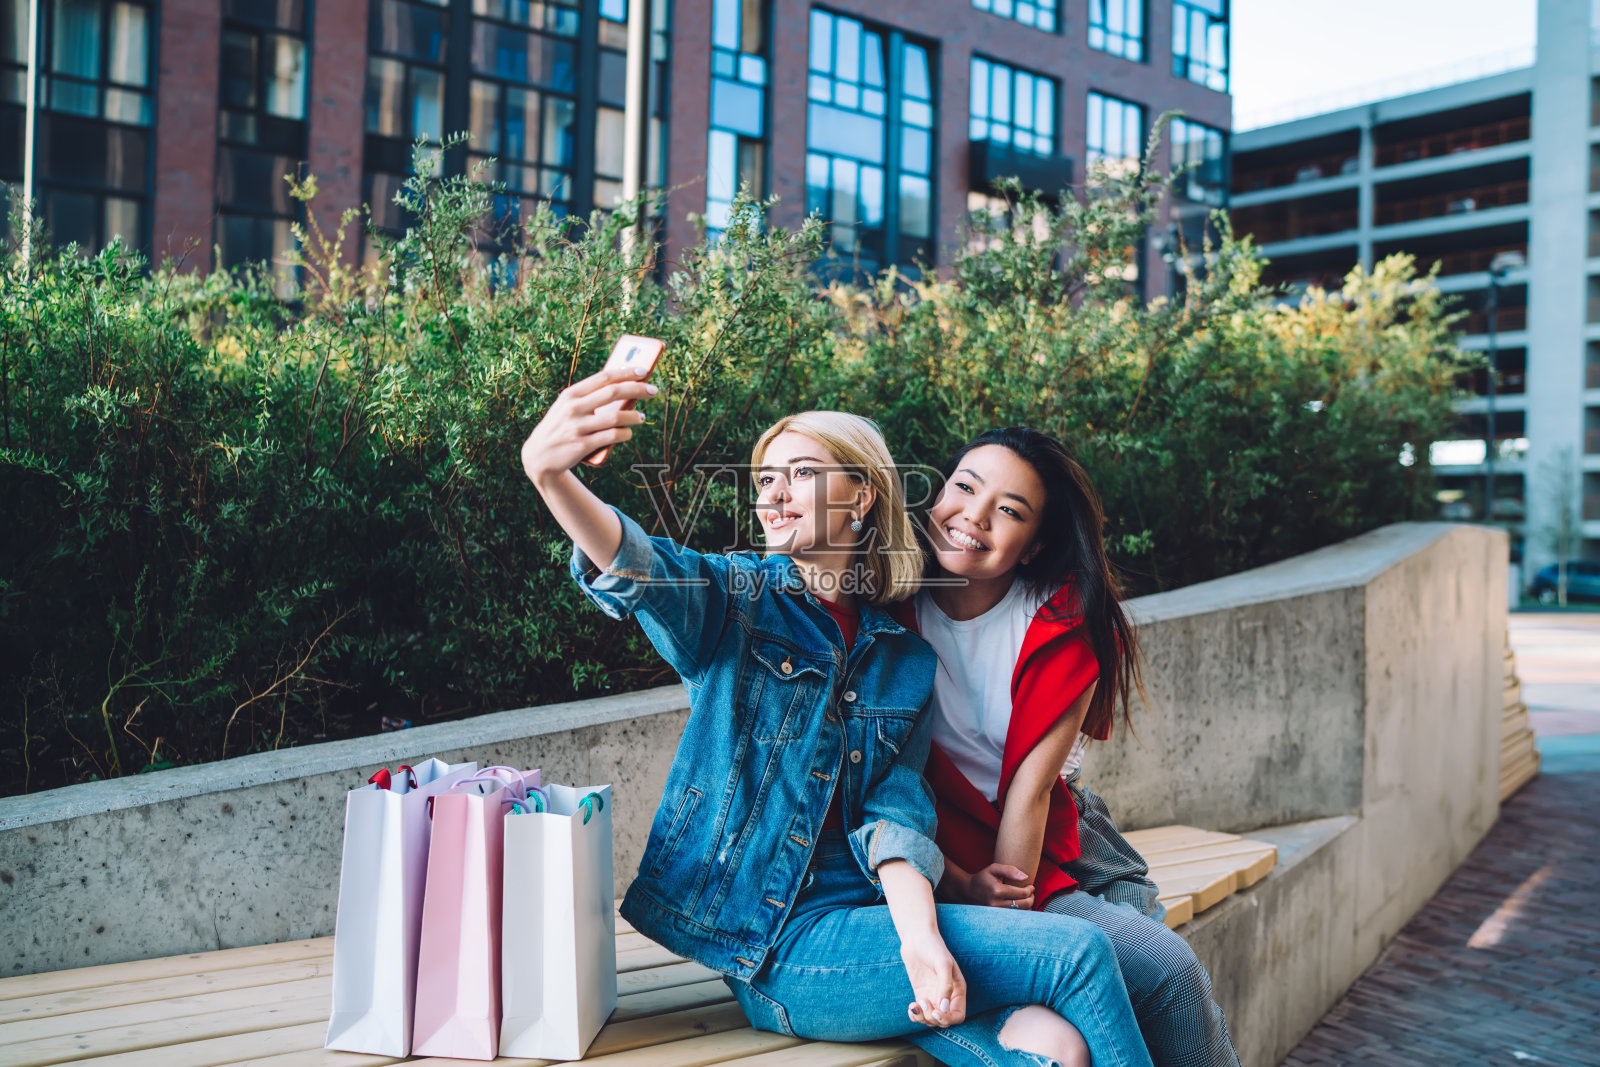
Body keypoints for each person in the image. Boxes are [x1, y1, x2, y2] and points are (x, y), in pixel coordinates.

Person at [519, 365, 1156, 1067]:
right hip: (781, 949)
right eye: (766, 479)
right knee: (1079, 954)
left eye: (801, 472)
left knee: (1057, 1047)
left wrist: (926, 933)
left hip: (880, 932)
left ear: (862, 496)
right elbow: (641, 566)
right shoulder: (738, 604)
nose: (775, 493)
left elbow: (895, 819)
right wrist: (551, 478)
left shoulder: (900, 656)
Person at [910, 427, 1241, 1067]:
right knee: (1163, 970)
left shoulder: (1062, 622)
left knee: (1164, 965)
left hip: (1037, 847)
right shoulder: (887, 603)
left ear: (1033, 546)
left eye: (1009, 511)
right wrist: (976, 899)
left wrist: (1010, 906)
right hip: (939, 856)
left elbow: (1032, 794)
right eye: (963, 488)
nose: (973, 517)